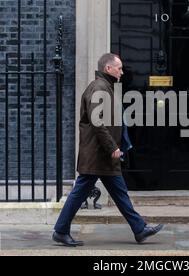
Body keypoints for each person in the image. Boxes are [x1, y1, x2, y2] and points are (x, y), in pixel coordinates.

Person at [53, 53, 164, 247]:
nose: (122, 71)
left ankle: (139, 229)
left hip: (102, 155)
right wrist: (113, 147)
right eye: (119, 68)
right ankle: (61, 230)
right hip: (97, 155)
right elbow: (98, 123)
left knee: (120, 193)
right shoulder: (98, 88)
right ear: (108, 68)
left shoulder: (106, 88)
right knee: (79, 193)